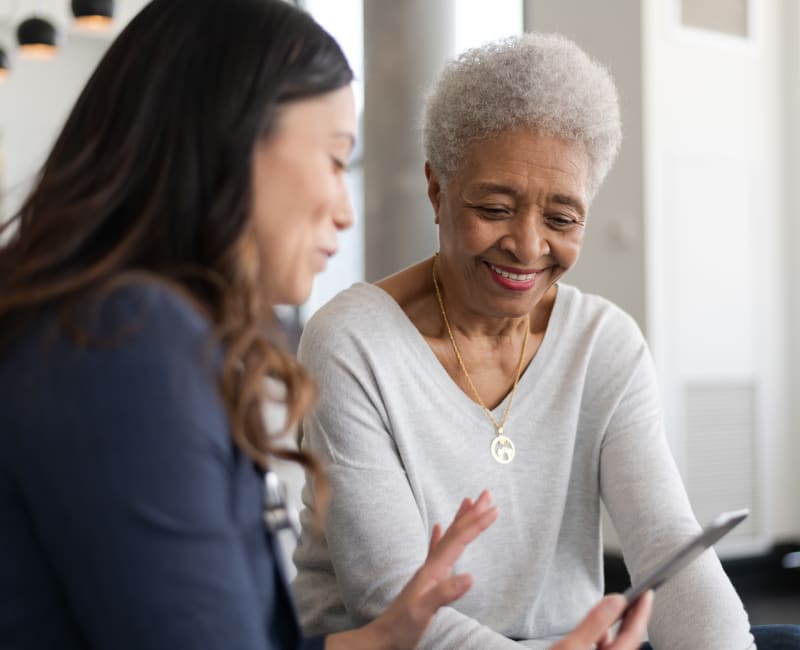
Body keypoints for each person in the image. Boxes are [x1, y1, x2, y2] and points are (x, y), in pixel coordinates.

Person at [0, 2, 656, 649]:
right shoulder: (126, 342)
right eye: (337, 160)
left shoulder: (118, 328)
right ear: (228, 144)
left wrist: (384, 639)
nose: (346, 212)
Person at [292, 32, 800, 649]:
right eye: (495, 207)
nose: (529, 248)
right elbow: (397, 606)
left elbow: (669, 547)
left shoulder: (603, 342)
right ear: (437, 189)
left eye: (562, 219)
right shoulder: (352, 343)